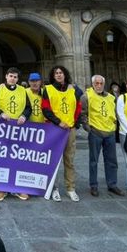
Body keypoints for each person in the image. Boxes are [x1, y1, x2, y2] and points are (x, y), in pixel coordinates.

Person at [42, 65, 82, 202]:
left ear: (65, 74)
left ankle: (71, 188)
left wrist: (74, 124)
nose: (59, 75)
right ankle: (54, 188)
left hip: (69, 129)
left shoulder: (73, 90)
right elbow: (46, 109)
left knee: (69, 160)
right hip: (54, 128)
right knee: (54, 161)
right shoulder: (47, 89)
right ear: (53, 76)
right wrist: (58, 122)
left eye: (61, 73)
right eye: (56, 73)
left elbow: (78, 108)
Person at [0, 67, 31, 201]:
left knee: (17, 159)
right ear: (6, 77)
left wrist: (24, 116)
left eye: (15, 77)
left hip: (18, 130)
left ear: (18, 79)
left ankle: (18, 188)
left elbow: (28, 108)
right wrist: (0, 113)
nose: (13, 79)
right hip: (2, 129)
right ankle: (1, 189)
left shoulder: (23, 91)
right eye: (11, 76)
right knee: (2, 159)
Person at [80, 74, 124, 198]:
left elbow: (115, 112)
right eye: (96, 83)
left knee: (112, 161)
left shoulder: (111, 97)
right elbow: (83, 113)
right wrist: (88, 128)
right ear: (92, 84)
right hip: (95, 132)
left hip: (110, 132)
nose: (99, 85)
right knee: (94, 160)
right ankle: (93, 185)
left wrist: (114, 125)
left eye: (101, 83)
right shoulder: (86, 96)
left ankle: (112, 184)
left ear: (104, 84)